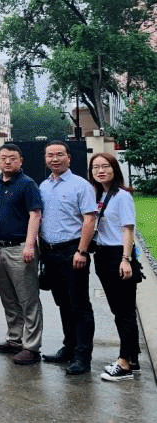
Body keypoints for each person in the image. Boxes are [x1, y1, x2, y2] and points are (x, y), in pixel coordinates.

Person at [39, 140, 97, 376]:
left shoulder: (81, 186)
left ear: (69, 158)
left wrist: (82, 251)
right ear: (45, 159)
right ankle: (69, 347)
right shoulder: (43, 186)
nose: (54, 159)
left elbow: (89, 219)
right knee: (63, 303)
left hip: (73, 251)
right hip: (50, 253)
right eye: (50, 155)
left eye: (59, 154)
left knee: (79, 305)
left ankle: (82, 357)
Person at [0, 143, 44, 366]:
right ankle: (14, 339)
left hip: (21, 248)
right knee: (8, 297)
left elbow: (35, 215)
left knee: (28, 299)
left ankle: (32, 347)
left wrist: (29, 245)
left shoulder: (27, 184)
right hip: (0, 247)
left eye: (12, 157)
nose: (8, 161)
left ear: (21, 160)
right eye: (3, 158)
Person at [89, 152, 141, 382]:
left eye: (105, 166)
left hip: (118, 255)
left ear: (114, 169)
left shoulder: (122, 196)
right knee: (119, 310)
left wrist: (125, 259)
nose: (100, 171)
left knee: (124, 311)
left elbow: (128, 229)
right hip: (102, 255)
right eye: (96, 167)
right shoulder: (99, 194)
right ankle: (132, 360)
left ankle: (125, 363)